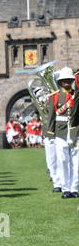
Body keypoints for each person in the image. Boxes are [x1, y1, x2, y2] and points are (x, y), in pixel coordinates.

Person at [46, 67, 79, 199]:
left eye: (69, 80)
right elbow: (51, 117)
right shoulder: (54, 97)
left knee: (76, 161)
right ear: (60, 83)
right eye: (64, 81)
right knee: (63, 160)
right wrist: (50, 134)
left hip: (75, 130)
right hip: (60, 132)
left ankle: (74, 187)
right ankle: (65, 188)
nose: (67, 83)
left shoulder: (76, 95)